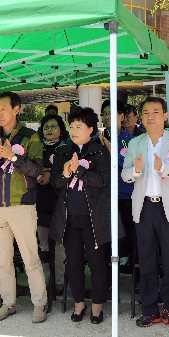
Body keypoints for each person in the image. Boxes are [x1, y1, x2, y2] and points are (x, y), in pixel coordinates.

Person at [121, 97, 169, 329]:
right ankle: (149, 309)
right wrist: (136, 170)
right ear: (141, 118)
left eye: (155, 111)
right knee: (146, 260)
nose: (150, 116)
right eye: (145, 112)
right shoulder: (135, 143)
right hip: (144, 207)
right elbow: (125, 175)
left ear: (165, 115)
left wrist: (165, 167)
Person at [0, 91, 48, 324]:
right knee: (3, 260)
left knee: (31, 259)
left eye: (3, 109)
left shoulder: (30, 137)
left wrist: (13, 157)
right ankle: (8, 303)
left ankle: (39, 304)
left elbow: (37, 170)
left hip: (22, 205)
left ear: (16, 110)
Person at [49, 107, 111, 324]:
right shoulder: (63, 150)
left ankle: (97, 306)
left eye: (79, 126)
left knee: (96, 263)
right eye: (72, 126)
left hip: (93, 218)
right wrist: (66, 173)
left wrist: (80, 171)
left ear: (91, 129)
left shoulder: (100, 151)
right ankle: (78, 304)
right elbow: (55, 183)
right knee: (73, 263)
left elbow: (103, 181)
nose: (74, 130)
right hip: (69, 217)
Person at [100, 100, 136, 267]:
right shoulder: (96, 138)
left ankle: (130, 262)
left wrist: (111, 150)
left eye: (111, 113)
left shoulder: (130, 140)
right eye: (104, 113)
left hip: (125, 194)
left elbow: (129, 165)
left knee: (128, 231)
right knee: (107, 232)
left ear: (121, 116)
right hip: (103, 195)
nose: (107, 117)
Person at [35, 114, 67, 293]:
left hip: (59, 200)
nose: (49, 130)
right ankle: (46, 279)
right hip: (39, 200)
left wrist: (51, 176)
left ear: (61, 130)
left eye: (53, 127)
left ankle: (61, 279)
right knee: (43, 244)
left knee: (60, 244)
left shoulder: (66, 149)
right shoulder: (36, 147)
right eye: (46, 127)